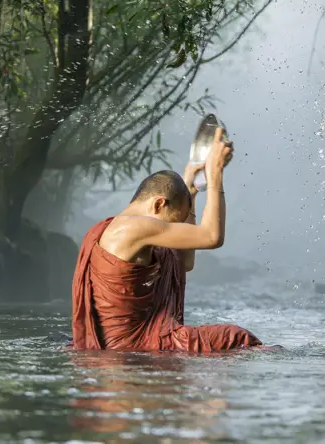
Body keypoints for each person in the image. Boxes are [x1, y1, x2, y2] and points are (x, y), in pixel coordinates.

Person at [71, 127, 261, 353]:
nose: (171, 230)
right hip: (135, 344)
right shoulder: (131, 227)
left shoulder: (122, 230)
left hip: (132, 342)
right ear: (158, 204)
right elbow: (212, 237)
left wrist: (190, 191)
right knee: (237, 338)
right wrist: (215, 173)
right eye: (172, 223)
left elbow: (184, 262)